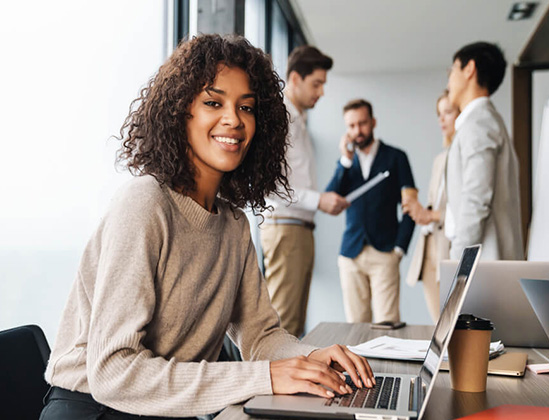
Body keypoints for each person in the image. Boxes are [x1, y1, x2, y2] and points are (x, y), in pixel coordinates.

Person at [40, 34, 374, 420]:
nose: (233, 119)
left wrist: (310, 358)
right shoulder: (145, 203)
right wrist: (262, 377)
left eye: (246, 107)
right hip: (96, 409)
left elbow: (260, 335)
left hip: (170, 408)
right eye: (213, 103)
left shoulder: (234, 224)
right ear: (181, 112)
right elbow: (113, 372)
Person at [260, 45, 348, 338]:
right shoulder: (282, 117)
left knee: (293, 326)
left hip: (298, 229)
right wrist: (318, 200)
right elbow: (270, 186)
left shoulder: (297, 119)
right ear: (295, 79)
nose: (321, 92)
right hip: (287, 228)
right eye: (317, 84)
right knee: (283, 328)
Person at [326, 99, 416, 324]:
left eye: (362, 123)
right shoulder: (346, 164)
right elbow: (329, 200)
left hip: (385, 252)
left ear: (373, 122)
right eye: (351, 126)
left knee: (387, 324)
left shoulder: (396, 157)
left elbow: (410, 206)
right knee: (356, 326)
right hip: (351, 254)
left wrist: (399, 249)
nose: (357, 131)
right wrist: (345, 162)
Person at [444, 41, 523, 260]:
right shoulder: (483, 121)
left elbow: (477, 198)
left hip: (483, 262)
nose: (448, 80)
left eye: (451, 71)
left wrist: (457, 258)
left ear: (469, 69)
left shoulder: (479, 123)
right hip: (485, 260)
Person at [403, 91, 459, 322]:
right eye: (439, 114)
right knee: (438, 325)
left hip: (449, 249)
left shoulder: (465, 157)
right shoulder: (440, 159)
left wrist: (432, 214)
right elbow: (434, 204)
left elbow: (466, 210)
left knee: (453, 324)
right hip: (428, 252)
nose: (441, 120)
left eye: (448, 112)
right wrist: (418, 210)